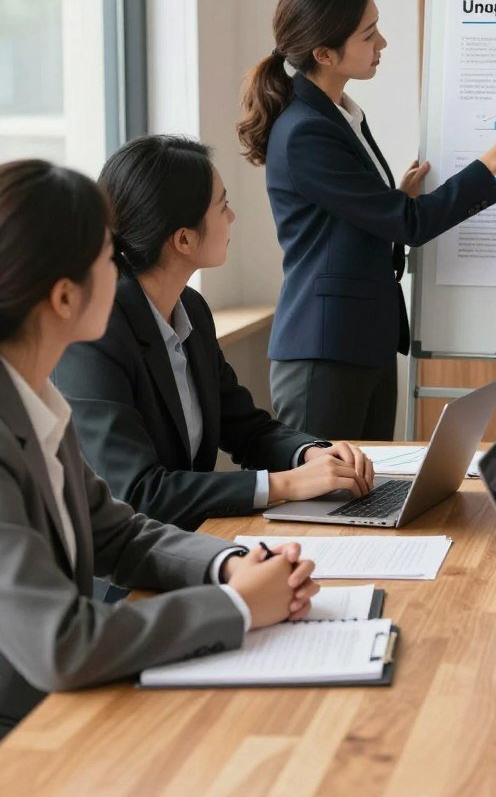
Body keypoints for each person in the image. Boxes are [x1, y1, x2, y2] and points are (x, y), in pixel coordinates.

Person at [0, 159, 319, 736]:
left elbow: (115, 532)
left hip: (64, 702)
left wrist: (231, 565)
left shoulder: (34, 396)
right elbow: (62, 644)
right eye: (105, 254)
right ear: (65, 298)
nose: (119, 263)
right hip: (28, 730)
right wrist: (240, 606)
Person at [237, 0, 496, 440]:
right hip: (325, 352)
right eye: (369, 35)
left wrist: (392, 198)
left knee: (368, 494)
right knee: (322, 503)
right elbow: (410, 224)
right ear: (324, 53)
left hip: (361, 340)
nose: (382, 43)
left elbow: (349, 217)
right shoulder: (306, 130)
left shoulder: (339, 114)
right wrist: (492, 162)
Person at [54, 136, 374, 532]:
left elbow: (246, 428)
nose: (232, 217)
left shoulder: (191, 309)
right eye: (223, 206)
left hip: (187, 543)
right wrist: (285, 484)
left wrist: (311, 454)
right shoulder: (94, 334)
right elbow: (137, 492)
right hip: (120, 578)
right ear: (184, 239)